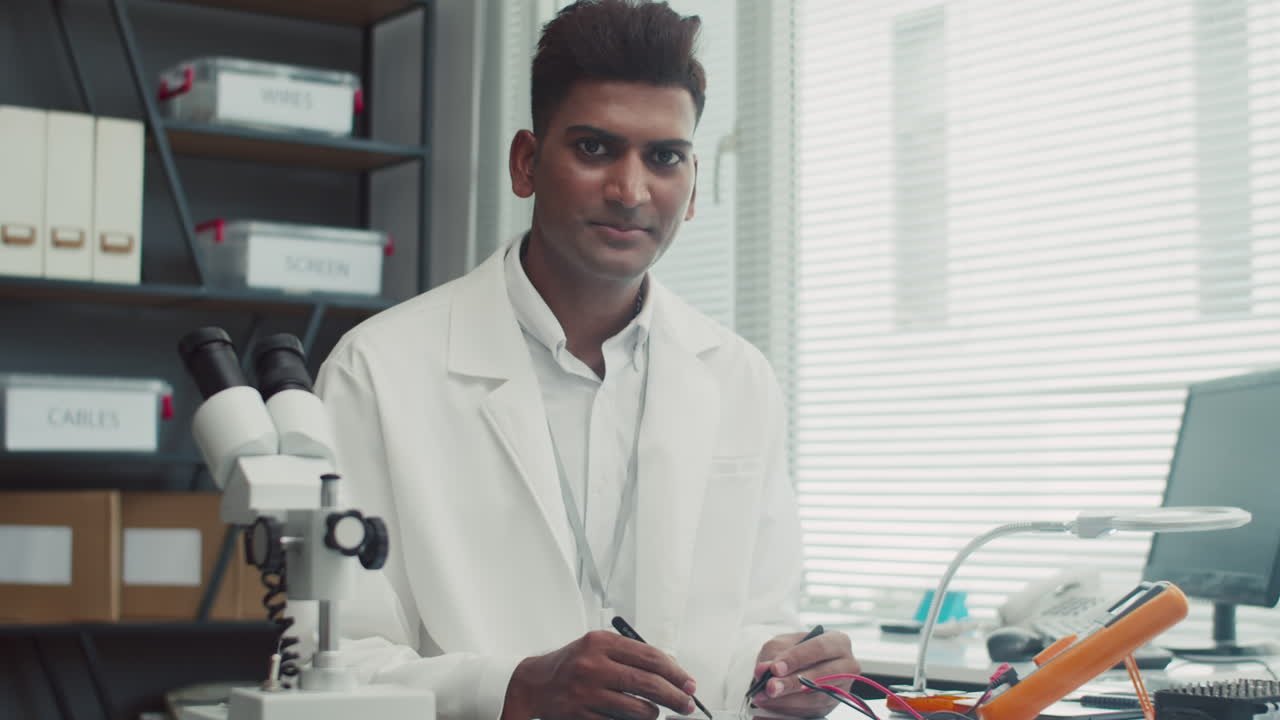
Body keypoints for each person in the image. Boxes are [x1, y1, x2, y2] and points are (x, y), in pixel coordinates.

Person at [314, 2, 859, 719]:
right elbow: (331, 666)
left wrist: (784, 669)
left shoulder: (738, 377)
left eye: (664, 157)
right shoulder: (375, 371)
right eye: (596, 148)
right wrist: (516, 687)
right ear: (525, 163)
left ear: (692, 185)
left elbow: (752, 626)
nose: (630, 191)